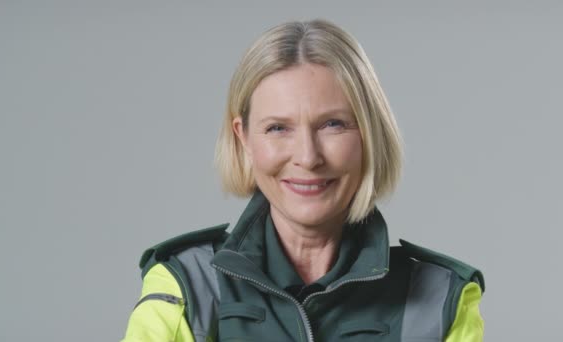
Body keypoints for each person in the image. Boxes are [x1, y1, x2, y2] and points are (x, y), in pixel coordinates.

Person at [121, 19, 485, 342]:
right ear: (243, 139)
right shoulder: (187, 284)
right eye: (278, 128)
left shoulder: (442, 299)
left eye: (333, 124)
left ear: (369, 135)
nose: (308, 157)